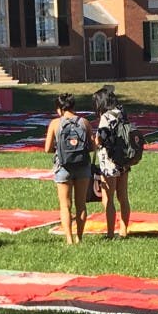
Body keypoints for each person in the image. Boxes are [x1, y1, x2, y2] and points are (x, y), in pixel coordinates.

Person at [44, 93, 91, 244]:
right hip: (83, 166)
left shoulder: (55, 124)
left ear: (59, 109)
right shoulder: (84, 122)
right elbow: (92, 146)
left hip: (63, 167)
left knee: (65, 205)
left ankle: (69, 239)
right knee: (81, 205)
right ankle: (80, 237)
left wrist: (59, 151)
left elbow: (47, 148)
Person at [93, 85, 132, 239]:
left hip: (109, 161)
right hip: (124, 158)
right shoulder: (122, 113)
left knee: (108, 198)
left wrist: (94, 140)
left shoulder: (106, 117)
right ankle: (123, 230)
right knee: (123, 196)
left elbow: (101, 137)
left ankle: (110, 233)